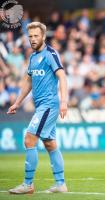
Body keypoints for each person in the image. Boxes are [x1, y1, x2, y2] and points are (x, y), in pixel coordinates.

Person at [7, 22, 68, 194]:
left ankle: (28, 184)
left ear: (43, 36)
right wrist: (17, 103)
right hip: (41, 106)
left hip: (49, 105)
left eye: (36, 36)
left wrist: (64, 101)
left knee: (29, 139)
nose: (33, 39)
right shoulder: (33, 57)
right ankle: (60, 184)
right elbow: (28, 81)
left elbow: (62, 76)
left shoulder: (50, 54)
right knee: (50, 144)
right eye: (30, 36)